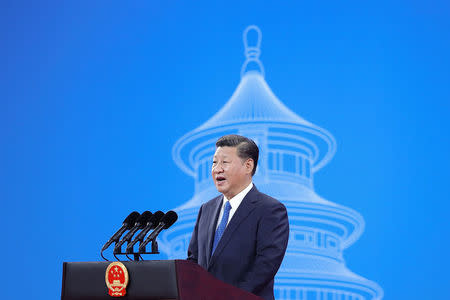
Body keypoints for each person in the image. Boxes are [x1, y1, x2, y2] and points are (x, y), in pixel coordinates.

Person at [187, 134, 289, 300]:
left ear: (248, 166)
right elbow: (193, 261)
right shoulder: (206, 209)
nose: (217, 169)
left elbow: (265, 266)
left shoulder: (270, 210)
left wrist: (227, 296)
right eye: (214, 162)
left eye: (225, 162)